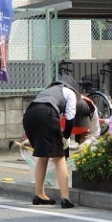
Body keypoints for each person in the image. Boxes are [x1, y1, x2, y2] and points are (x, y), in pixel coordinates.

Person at [22, 75, 79, 208]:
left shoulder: (47, 91)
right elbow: (70, 119)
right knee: (59, 158)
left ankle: (40, 194)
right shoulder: (69, 93)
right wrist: (66, 138)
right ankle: (65, 198)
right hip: (46, 114)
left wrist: (63, 137)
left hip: (29, 116)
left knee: (42, 156)